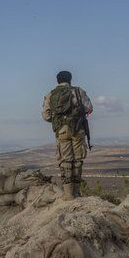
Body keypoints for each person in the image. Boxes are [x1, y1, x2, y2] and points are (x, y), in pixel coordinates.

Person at [42, 71, 93, 200]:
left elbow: (46, 115)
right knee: (77, 160)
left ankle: (68, 194)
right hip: (78, 129)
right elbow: (89, 108)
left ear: (57, 80)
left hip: (61, 131)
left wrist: (58, 121)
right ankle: (76, 192)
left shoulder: (51, 94)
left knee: (65, 160)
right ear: (70, 79)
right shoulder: (78, 91)